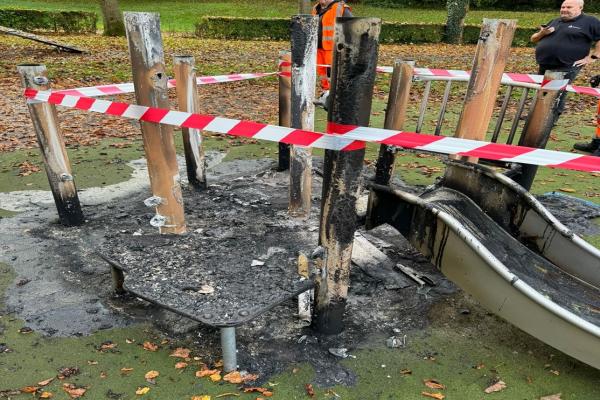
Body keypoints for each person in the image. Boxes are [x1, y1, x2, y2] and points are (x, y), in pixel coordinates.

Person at [530, 0, 600, 153]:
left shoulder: (590, 22)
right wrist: (543, 33)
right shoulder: (555, 21)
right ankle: (536, 122)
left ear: (580, 8)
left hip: (566, 66)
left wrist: (593, 57)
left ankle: (547, 125)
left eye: (569, 7)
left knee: (556, 97)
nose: (565, 10)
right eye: (563, 7)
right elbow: (533, 39)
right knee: (542, 94)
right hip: (544, 64)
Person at [312, 0, 352, 108]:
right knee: (322, 75)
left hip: (333, 49)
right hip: (318, 48)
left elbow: (351, 28)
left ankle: (337, 98)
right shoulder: (316, 8)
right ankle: (326, 96)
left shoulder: (341, 8)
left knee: (333, 74)